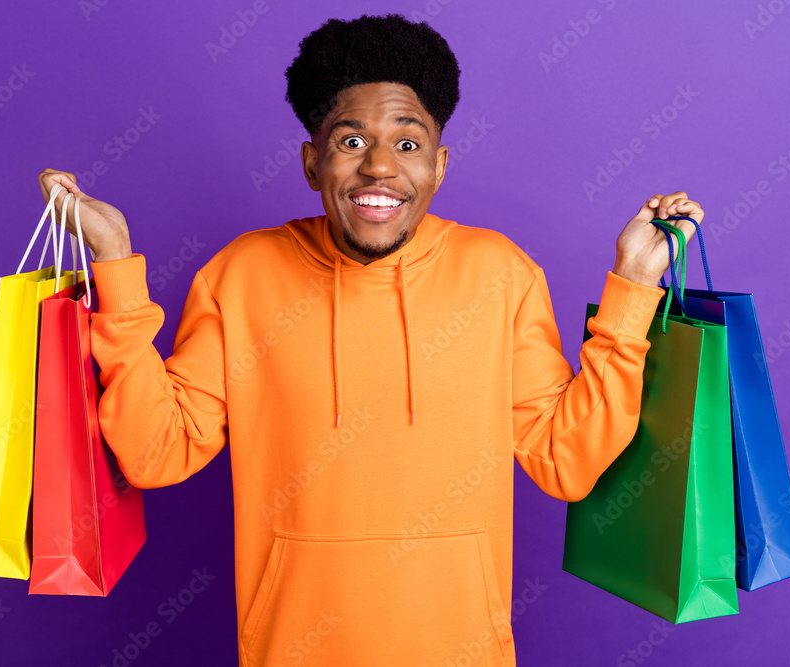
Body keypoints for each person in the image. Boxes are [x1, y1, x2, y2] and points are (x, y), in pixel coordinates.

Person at [38, 13, 703, 667]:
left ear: (439, 166)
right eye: (351, 141)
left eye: (408, 145)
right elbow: (157, 452)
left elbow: (567, 459)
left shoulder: (500, 273)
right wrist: (116, 267)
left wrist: (633, 286)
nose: (380, 167)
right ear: (311, 160)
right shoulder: (240, 275)